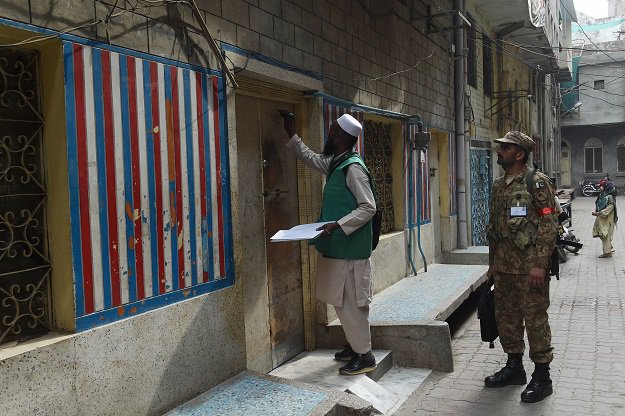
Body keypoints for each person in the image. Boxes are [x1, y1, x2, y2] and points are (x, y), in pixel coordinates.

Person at [281, 112, 377, 376]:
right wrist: (291, 132)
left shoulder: (353, 168)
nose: (329, 134)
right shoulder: (338, 163)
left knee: (350, 303)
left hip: (351, 251)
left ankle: (365, 355)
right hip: (339, 250)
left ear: (338, 136)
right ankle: (354, 345)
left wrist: (338, 224)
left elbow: (369, 207)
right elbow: (311, 158)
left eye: (332, 130)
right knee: (340, 300)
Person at [485, 131, 559, 403]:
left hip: (530, 270)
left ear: (520, 154)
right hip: (504, 268)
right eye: (500, 146)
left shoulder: (536, 183)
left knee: (535, 320)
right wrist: (492, 263)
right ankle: (514, 367)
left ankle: (542, 377)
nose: (499, 150)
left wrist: (540, 264)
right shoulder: (498, 185)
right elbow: (494, 228)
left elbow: (549, 224)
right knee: (507, 318)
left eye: (505, 147)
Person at [592, 180, 618, 258]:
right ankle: (609, 247)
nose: (599, 188)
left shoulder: (609, 196)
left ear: (605, 187)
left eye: (600, 186)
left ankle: (607, 252)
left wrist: (600, 213)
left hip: (607, 218)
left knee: (605, 234)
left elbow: (610, 207)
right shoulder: (603, 195)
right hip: (602, 218)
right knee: (600, 232)